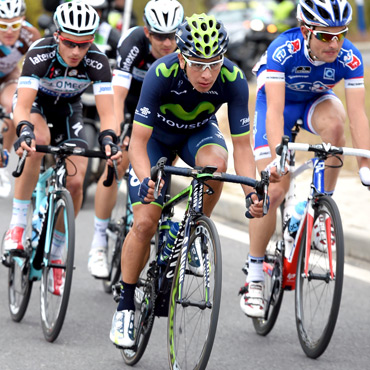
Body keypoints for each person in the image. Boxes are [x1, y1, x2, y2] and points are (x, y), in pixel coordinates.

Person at [109, 12, 266, 348]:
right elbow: (137, 143)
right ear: (181, 58)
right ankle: (125, 304)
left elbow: (242, 146)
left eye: (214, 63)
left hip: (197, 133)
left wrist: (250, 190)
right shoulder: (161, 72)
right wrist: (143, 180)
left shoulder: (234, 78)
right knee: (145, 222)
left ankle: (195, 226)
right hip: (156, 140)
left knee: (216, 164)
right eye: (197, 64)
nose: (207, 74)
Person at [239, 0, 370, 318]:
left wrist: (366, 164)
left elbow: (357, 114)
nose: (335, 43)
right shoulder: (282, 50)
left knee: (336, 126)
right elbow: (273, 111)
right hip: (277, 107)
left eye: (340, 34)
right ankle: (255, 276)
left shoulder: (350, 56)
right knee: (273, 190)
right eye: (325, 36)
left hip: (315, 102)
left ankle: (320, 204)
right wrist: (277, 158)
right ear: (305, 31)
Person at [3, 1, 121, 293]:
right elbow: (24, 104)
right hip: (36, 107)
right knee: (37, 142)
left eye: (83, 45)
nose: (76, 52)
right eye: (69, 43)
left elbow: (109, 113)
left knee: (77, 182)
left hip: (70, 111)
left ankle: (56, 254)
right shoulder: (40, 53)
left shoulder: (97, 61)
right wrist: (24, 129)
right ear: (57, 35)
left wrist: (108, 137)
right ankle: (17, 224)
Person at [87, 0, 184, 278]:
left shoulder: (183, 47)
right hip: (131, 102)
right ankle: (98, 242)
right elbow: (116, 96)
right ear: (147, 32)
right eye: (160, 36)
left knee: (162, 162)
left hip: (163, 108)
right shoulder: (133, 42)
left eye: (173, 35)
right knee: (115, 162)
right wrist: (116, 137)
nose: (168, 43)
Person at [0, 0, 40, 198]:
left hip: (8, 74)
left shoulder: (31, 35)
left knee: (11, 106)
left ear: (23, 22)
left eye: (14, 25)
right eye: (3, 26)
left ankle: (2, 164)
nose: (9, 31)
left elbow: (35, 68)